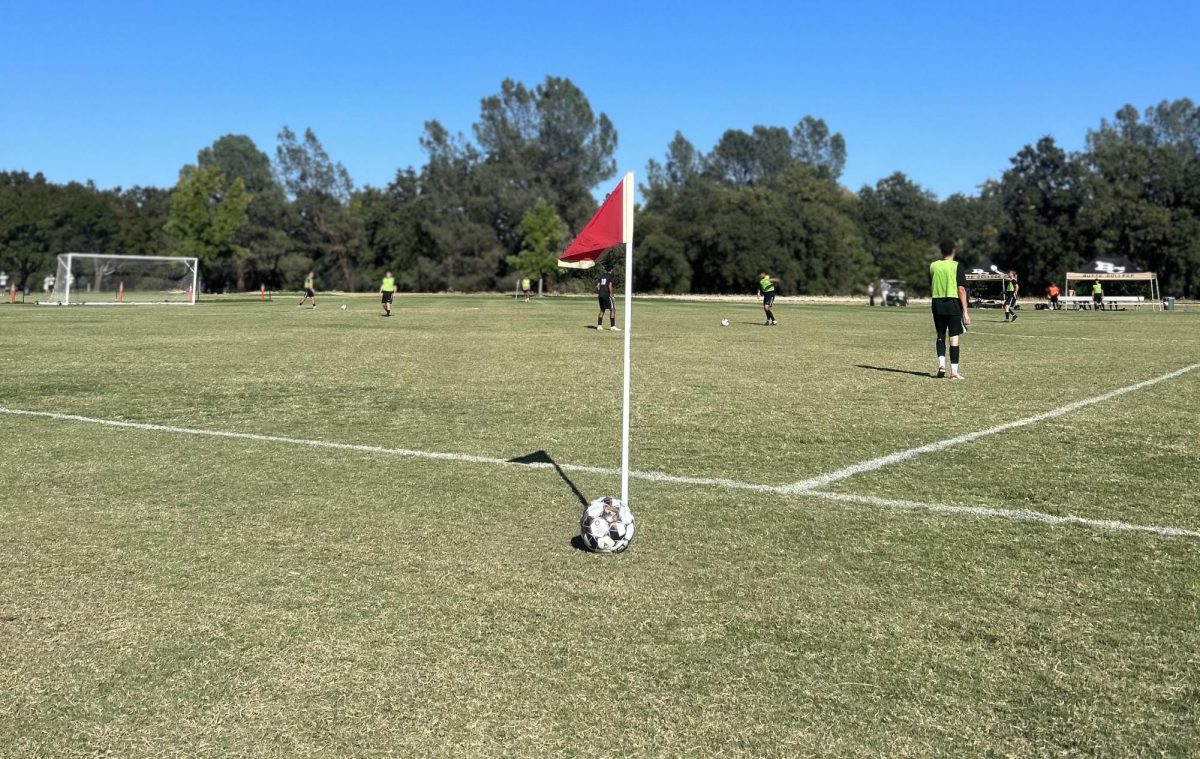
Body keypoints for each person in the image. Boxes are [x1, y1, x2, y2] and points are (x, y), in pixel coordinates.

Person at [930, 239, 970, 379]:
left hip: (937, 303)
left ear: (941, 251)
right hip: (952, 303)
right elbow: (961, 289)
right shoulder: (956, 266)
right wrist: (965, 311)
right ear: (953, 250)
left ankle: (941, 364)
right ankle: (954, 372)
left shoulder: (933, 266)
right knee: (954, 337)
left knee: (940, 335)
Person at [596, 265, 618, 330]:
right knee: (613, 309)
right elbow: (610, 286)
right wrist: (611, 295)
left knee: (602, 309)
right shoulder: (611, 276)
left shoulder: (602, 275)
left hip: (600, 295)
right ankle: (613, 327)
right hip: (606, 295)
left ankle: (599, 326)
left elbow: (597, 286)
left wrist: (600, 291)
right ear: (611, 270)